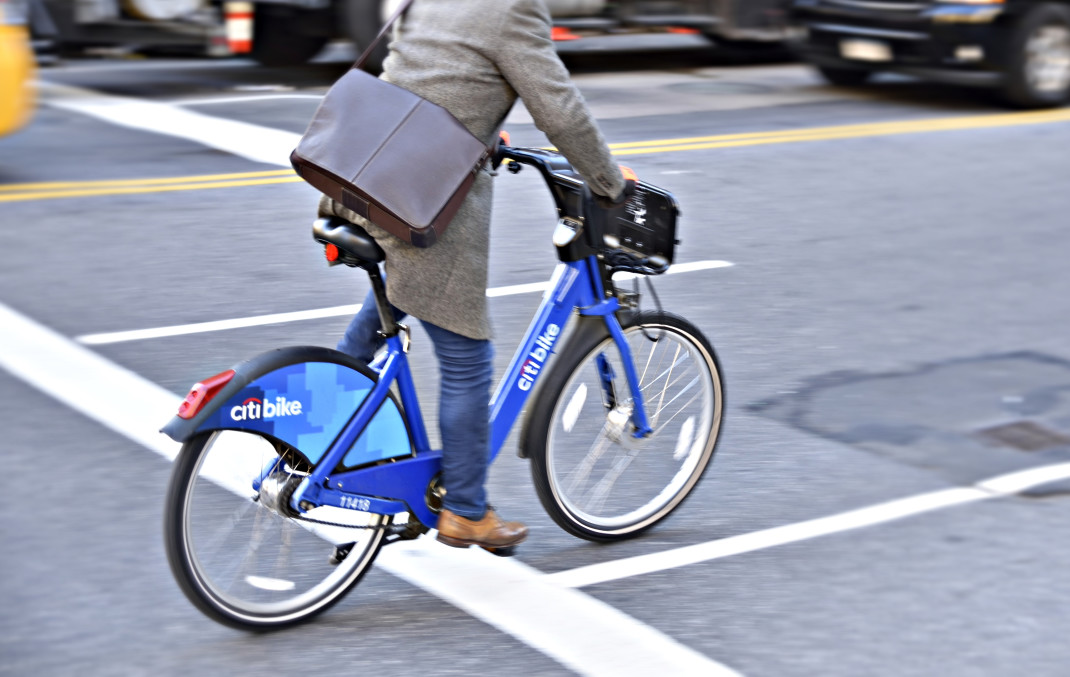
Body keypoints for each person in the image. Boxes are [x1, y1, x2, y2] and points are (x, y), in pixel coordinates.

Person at [318, 0, 626, 551]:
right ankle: (464, 509)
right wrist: (607, 182)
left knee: (389, 307)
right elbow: (560, 111)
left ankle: (316, 431)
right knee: (466, 358)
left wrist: (482, 136)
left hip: (360, 169)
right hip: (417, 201)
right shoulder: (516, 9)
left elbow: (427, 76)